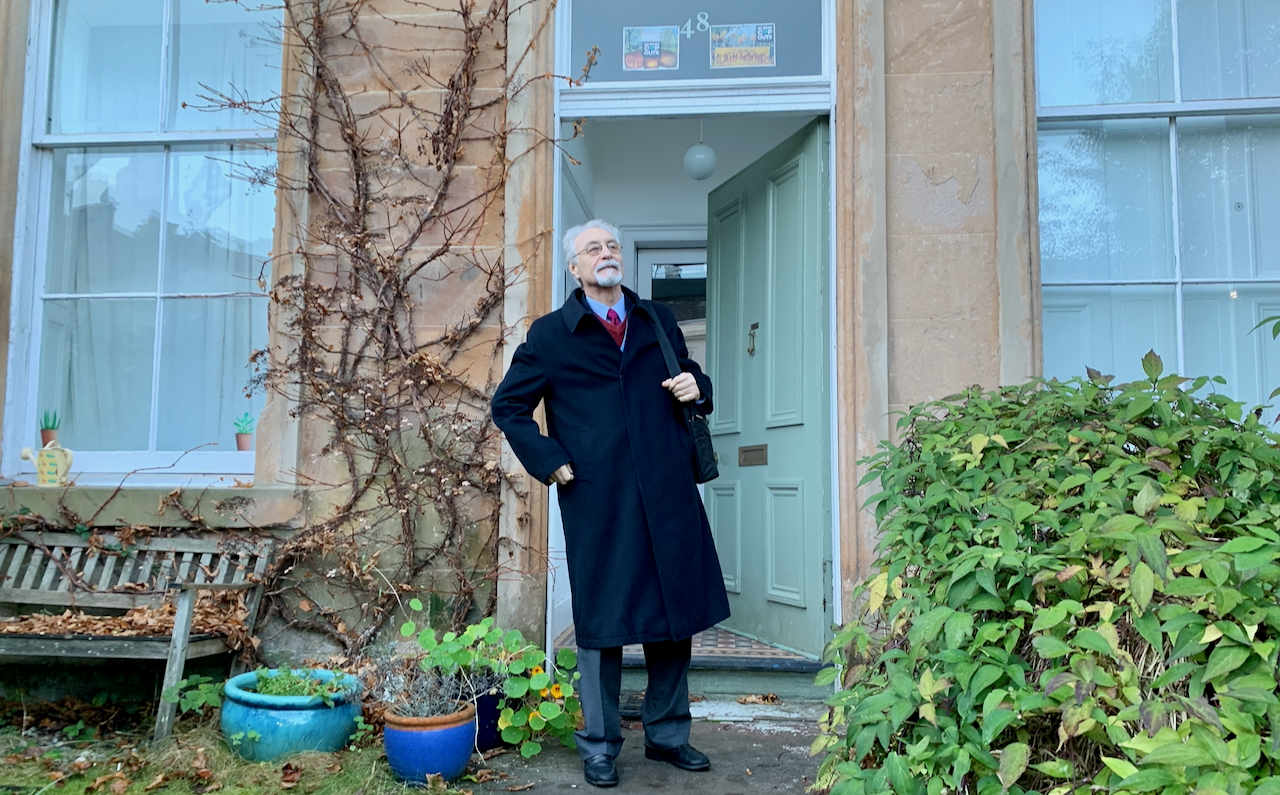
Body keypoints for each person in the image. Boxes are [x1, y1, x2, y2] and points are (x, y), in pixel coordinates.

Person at [491, 219, 730, 788]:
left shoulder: (656, 318)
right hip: (599, 496)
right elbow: (509, 407)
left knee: (673, 617)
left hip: (668, 488)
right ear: (574, 268)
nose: (606, 255)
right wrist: (549, 459)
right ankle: (599, 745)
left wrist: (699, 385)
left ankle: (669, 736)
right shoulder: (551, 335)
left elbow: (691, 377)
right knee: (601, 622)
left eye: (612, 246)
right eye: (592, 248)